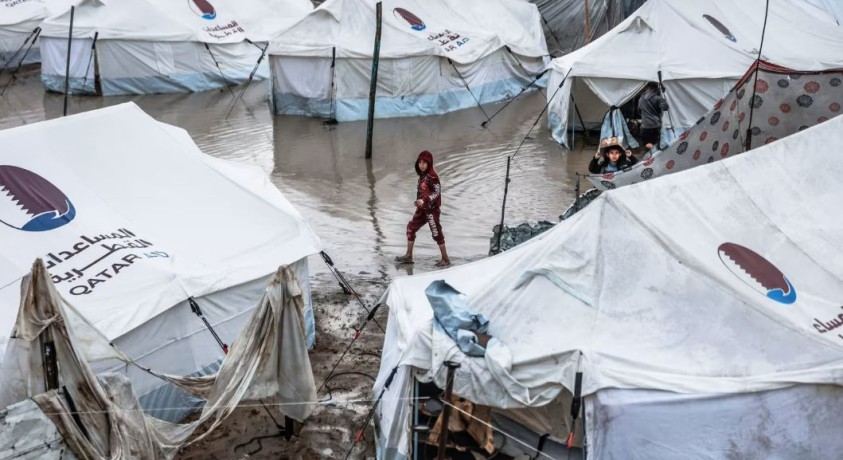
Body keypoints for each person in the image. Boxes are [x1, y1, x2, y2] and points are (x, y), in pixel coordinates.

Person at [396, 150, 451, 267]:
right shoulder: (422, 176)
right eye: (420, 162)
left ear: (429, 163)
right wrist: (419, 202)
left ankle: (445, 259)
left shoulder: (433, 176)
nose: (422, 165)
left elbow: (437, 193)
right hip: (422, 209)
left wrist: (424, 200)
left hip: (431, 210)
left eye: (424, 163)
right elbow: (421, 191)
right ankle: (408, 256)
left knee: (436, 233)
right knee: (411, 228)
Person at [638, 81, 669, 150]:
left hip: (645, 124)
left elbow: (639, 111)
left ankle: (651, 154)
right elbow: (665, 108)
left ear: (647, 88)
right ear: (655, 88)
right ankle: (656, 153)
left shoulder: (641, 99)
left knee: (646, 143)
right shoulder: (658, 98)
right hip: (656, 124)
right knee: (655, 141)